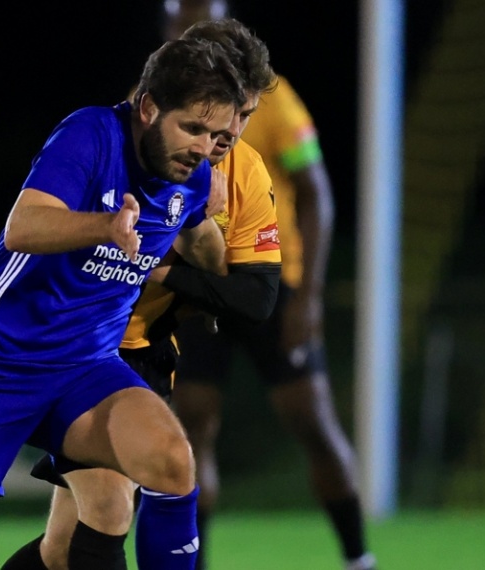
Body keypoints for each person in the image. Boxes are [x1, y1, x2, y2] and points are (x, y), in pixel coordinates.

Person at [0, 36, 247, 570]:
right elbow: (23, 227)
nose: (202, 146)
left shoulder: (192, 175)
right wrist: (106, 226)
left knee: (170, 463)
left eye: (218, 136)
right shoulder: (91, 133)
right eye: (192, 128)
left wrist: (209, 243)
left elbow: (203, 244)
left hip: (87, 370)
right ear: (150, 107)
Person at [0, 17, 281, 570]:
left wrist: (175, 260)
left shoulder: (241, 173)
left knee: (64, 548)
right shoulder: (129, 139)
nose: (230, 131)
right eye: (221, 110)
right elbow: (42, 230)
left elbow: (254, 297)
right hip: (73, 344)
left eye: (244, 115)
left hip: (142, 353)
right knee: (106, 513)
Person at [165, 2, 378, 570]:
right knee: (189, 432)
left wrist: (307, 296)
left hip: (271, 281)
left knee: (311, 421)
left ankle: (359, 556)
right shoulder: (158, 99)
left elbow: (317, 192)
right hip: (199, 287)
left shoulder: (273, 100)